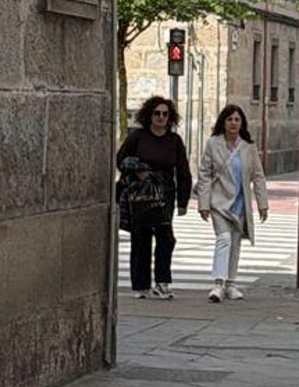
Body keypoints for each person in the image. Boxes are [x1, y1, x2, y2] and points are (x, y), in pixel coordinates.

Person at [115, 94, 193, 299]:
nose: (160, 117)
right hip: (141, 194)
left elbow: (183, 171)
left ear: (170, 117)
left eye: (165, 114)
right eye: (157, 113)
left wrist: (183, 201)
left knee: (165, 238)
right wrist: (138, 170)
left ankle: (162, 282)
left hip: (165, 194)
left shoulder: (174, 141)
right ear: (149, 115)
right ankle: (141, 285)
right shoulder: (138, 137)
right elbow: (121, 159)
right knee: (140, 238)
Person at [196, 102, 270, 301]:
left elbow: (258, 176)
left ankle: (231, 284)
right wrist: (203, 204)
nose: (233, 123)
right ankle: (218, 284)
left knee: (236, 243)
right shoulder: (213, 144)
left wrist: (263, 203)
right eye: (230, 119)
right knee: (224, 239)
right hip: (219, 202)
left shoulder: (248, 148)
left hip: (240, 203)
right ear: (223, 122)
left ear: (242, 123)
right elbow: (204, 174)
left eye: (237, 120)